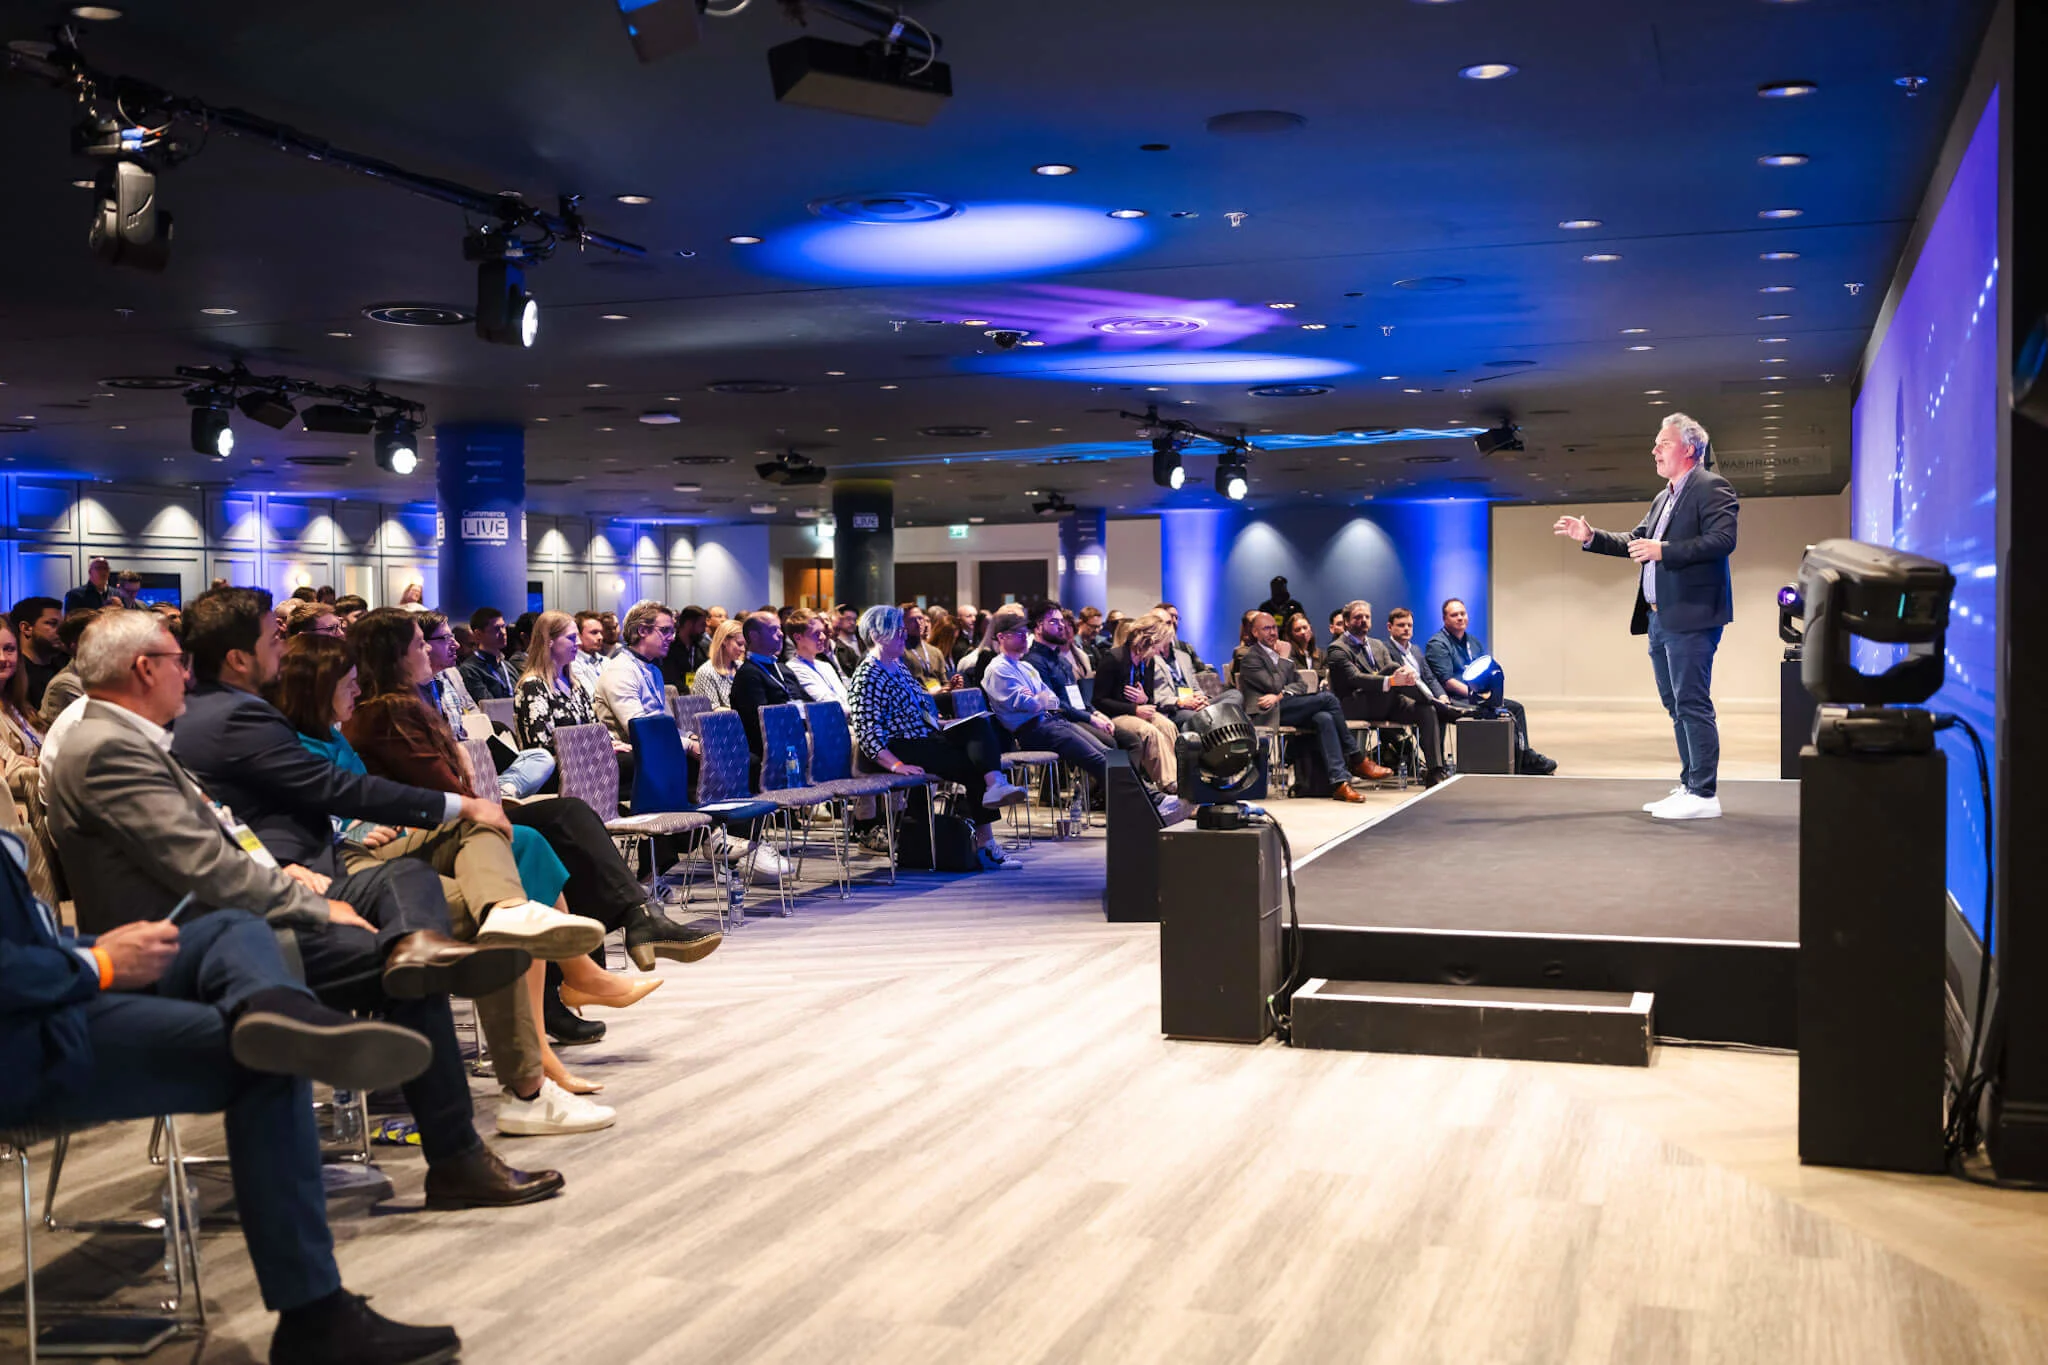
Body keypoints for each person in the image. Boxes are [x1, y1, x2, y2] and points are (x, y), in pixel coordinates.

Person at [39, 609, 585, 1190]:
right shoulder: (109, 749)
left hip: (246, 909)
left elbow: (223, 838)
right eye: (177, 663)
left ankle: (418, 965)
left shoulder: (136, 735)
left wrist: (286, 875)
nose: (187, 674)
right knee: (406, 969)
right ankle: (453, 1155)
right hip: (201, 944)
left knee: (408, 904)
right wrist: (309, 903)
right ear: (145, 670)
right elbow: (206, 869)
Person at [0, 834, 467, 1364]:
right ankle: (314, 1320)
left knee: (231, 927)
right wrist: (99, 963)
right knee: (270, 1055)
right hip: (26, 1035)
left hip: (50, 981)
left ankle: (278, 1005)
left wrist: (84, 948)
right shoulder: (107, 751)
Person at [1555, 411, 1738, 819]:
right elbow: (1637, 541)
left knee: (1692, 702)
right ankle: (1690, 784)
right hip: (1659, 618)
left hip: (1692, 616)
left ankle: (1705, 795)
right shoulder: (1664, 497)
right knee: (1675, 704)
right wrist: (1591, 537)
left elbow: (1723, 540)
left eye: (1664, 443)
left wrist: (1665, 552)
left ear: (1689, 449)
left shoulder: (1712, 487)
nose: (1654, 450)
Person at [848, 605, 1027, 868]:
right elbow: (867, 731)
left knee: (978, 725)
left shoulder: (897, 666)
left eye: (901, 630)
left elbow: (921, 706)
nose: (903, 636)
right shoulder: (867, 675)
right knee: (973, 765)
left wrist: (941, 723)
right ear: (876, 636)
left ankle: (994, 787)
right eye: (896, 632)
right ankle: (986, 839)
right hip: (900, 746)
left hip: (923, 735)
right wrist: (896, 765)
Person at [1234, 612, 1375, 804]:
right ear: (1255, 632)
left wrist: (1280, 695)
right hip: (1266, 713)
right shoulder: (1251, 658)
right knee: (1329, 699)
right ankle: (1356, 758)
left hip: (1283, 704)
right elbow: (1273, 684)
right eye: (1266, 629)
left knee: (1324, 717)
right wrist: (1284, 661)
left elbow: (1299, 684)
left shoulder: (1279, 655)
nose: (1272, 632)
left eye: (1274, 628)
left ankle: (1340, 783)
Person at [1426, 598, 1556, 774]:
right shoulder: (1438, 645)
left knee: (1515, 708)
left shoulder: (1473, 642)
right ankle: (1525, 759)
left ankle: (1522, 755)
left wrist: (1490, 693)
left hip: (1477, 695)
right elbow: (1447, 681)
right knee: (1498, 709)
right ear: (1444, 619)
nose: (1460, 618)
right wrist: (1476, 696)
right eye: (1454, 615)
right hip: (1454, 699)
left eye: (1462, 614)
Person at [1325, 600, 1446, 785]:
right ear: (1347, 622)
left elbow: (1396, 678)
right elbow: (1355, 679)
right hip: (1355, 705)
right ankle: (1443, 707)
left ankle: (1435, 772)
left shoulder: (1377, 646)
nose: (1363, 620)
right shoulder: (1337, 649)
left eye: (1367, 617)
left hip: (1386, 703)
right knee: (1392, 669)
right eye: (1358, 617)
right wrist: (1390, 680)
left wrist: (1397, 678)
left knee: (1426, 709)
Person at [1090, 613, 1182, 792]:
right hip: (1113, 716)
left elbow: (1149, 698)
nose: (1161, 649)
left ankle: (1180, 779)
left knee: (1167, 726)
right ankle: (1169, 785)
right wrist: (1134, 708)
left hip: (1136, 712)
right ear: (1148, 641)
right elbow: (1099, 701)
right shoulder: (1114, 659)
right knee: (1149, 732)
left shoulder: (1147, 662)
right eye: (1159, 644)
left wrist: (1144, 700)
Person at [515, 610, 613, 759]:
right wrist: (595, 748)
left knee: (634, 755)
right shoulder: (533, 686)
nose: (578, 643)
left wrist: (609, 743)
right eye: (571, 638)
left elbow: (595, 727)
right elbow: (541, 746)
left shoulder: (574, 684)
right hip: (559, 769)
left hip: (586, 760)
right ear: (549, 641)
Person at [593, 599, 676, 742]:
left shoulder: (654, 670)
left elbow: (666, 724)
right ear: (642, 630)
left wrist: (689, 738)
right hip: (630, 755)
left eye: (673, 631)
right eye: (665, 631)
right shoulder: (620, 671)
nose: (672, 638)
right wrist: (688, 745)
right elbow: (642, 733)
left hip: (656, 745)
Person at [36, 608, 108, 728]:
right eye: (98, 637)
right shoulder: (65, 683)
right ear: (75, 645)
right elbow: (104, 723)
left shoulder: (99, 674)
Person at [786, 608, 852, 707]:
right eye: (816, 633)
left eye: (822, 632)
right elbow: (827, 703)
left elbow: (845, 697)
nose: (823, 637)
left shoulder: (826, 666)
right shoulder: (794, 668)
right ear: (798, 637)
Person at [9, 596, 65, 709]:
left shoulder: (63, 665)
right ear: (26, 628)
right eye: (52, 624)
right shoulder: (14, 674)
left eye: (61, 625)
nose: (61, 631)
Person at [460, 606, 517, 701]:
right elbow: (487, 706)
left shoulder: (507, 666)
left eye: (503, 626)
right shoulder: (470, 669)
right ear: (478, 634)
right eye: (496, 629)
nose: (503, 632)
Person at [692, 618, 745, 709]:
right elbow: (712, 711)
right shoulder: (706, 672)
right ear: (724, 641)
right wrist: (746, 714)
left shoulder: (741, 667)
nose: (743, 649)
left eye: (744, 645)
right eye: (739, 644)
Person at [663, 604, 710, 691]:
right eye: (702, 625)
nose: (704, 630)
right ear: (689, 624)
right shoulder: (669, 649)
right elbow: (670, 680)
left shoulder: (702, 648)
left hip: (698, 696)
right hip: (676, 697)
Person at [900, 605, 949, 688]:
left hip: (940, 697)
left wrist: (951, 686)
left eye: (920, 618)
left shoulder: (935, 652)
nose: (918, 623)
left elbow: (944, 682)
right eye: (912, 620)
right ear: (902, 623)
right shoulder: (899, 652)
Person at [570, 610, 609, 694]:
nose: (600, 637)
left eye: (601, 632)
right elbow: (591, 698)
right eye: (594, 632)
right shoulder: (573, 664)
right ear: (578, 635)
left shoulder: (606, 661)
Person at [830, 604, 862, 676]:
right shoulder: (834, 643)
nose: (852, 622)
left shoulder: (863, 639)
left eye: (855, 619)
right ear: (839, 619)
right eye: (848, 619)